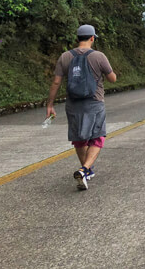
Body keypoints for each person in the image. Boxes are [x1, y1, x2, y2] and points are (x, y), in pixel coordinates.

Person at [46, 24, 117, 190]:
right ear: (92, 38)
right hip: (95, 102)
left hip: (73, 104)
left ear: (77, 39)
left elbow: (56, 82)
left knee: (79, 138)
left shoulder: (65, 57)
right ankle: (84, 169)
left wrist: (50, 104)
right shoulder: (99, 56)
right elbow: (112, 78)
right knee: (97, 137)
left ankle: (86, 170)